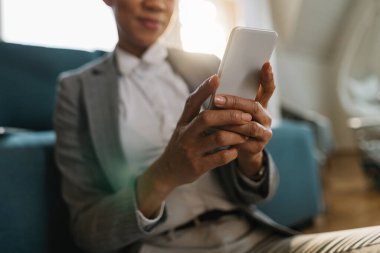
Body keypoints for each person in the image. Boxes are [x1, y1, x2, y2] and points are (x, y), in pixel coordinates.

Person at [54, 0, 380, 252]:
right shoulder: (77, 90)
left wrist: (251, 157)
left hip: (253, 238)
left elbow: (261, 191)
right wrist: (166, 172)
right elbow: (87, 230)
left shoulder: (207, 66)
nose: (157, 4)